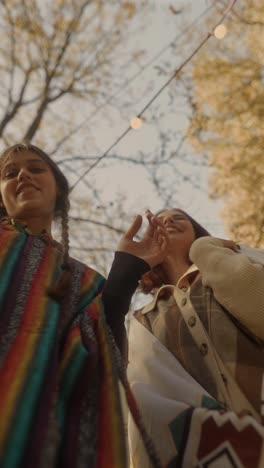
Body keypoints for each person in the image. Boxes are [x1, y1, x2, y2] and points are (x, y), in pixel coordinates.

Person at [0, 142, 168, 468]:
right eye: (9, 173)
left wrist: (123, 276)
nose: (22, 175)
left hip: (31, 428)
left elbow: (100, 358)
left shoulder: (83, 279)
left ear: (60, 192)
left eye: (35, 168)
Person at [126, 208, 264, 468]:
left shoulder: (240, 255)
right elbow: (148, 406)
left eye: (179, 217)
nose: (168, 220)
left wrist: (205, 249)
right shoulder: (144, 321)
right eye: (160, 219)